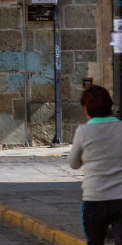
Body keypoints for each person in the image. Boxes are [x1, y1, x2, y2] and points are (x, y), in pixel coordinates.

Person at [68, 84, 122, 245]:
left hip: (95, 198)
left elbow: (73, 163)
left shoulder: (83, 132)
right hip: (121, 197)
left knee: (95, 241)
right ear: (111, 106)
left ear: (86, 109)